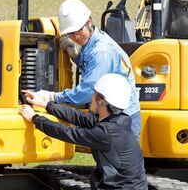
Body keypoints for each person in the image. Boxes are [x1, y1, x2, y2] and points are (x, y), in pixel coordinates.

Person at [22, 0, 141, 139]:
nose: (75, 36)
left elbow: (86, 92)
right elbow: (94, 68)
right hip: (111, 114)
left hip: (121, 117)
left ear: (89, 21)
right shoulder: (94, 42)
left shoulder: (101, 52)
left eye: (78, 30)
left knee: (117, 159)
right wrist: (76, 56)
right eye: (71, 33)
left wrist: (51, 97)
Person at [20, 73, 148, 190]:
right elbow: (78, 117)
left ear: (101, 101)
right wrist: (45, 104)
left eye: (94, 94)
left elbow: (68, 133)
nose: (91, 97)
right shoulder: (117, 121)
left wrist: (35, 118)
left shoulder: (107, 132)